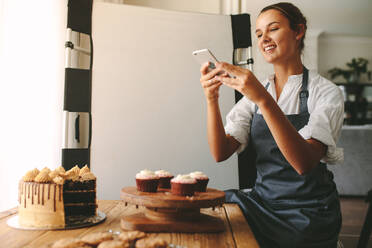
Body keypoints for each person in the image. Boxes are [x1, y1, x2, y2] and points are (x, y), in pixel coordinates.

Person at [199, 2, 344, 248]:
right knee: (207, 211)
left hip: (307, 213)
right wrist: (211, 99)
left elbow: (304, 163)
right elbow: (219, 152)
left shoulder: (326, 93)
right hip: (262, 202)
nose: (264, 38)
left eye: (273, 29)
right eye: (258, 34)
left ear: (298, 31)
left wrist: (263, 101)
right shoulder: (258, 91)